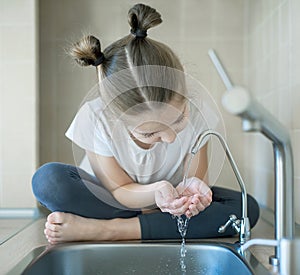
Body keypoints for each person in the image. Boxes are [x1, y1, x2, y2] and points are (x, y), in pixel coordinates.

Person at [32, 3, 259, 245]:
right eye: (151, 133)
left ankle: (104, 230)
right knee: (48, 181)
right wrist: (156, 192)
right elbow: (119, 190)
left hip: (168, 204)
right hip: (113, 201)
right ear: (116, 117)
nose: (170, 138)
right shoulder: (95, 117)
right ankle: (154, 225)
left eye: (179, 118)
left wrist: (192, 192)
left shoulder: (199, 111)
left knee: (246, 209)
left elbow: (194, 180)